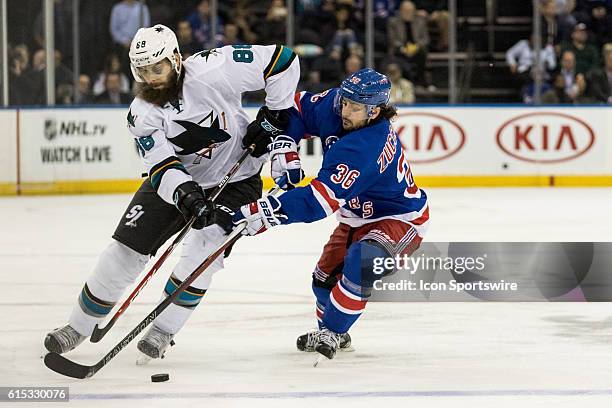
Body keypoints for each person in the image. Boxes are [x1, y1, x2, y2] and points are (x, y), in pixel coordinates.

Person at [44, 24, 300, 363]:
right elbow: (162, 164)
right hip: (176, 182)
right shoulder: (141, 114)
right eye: (142, 70)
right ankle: (77, 326)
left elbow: (282, 61)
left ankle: (164, 331)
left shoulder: (215, 67)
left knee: (203, 253)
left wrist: (274, 115)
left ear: (176, 59)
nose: (150, 77)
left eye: (157, 67)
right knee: (122, 253)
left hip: (238, 178)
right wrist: (187, 195)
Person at [233, 68, 430, 361]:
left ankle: (333, 331)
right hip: (354, 217)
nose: (345, 110)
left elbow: (319, 201)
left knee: (362, 261)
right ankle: (335, 330)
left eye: (355, 107)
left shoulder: (366, 145)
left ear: (374, 111)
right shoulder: (338, 103)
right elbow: (297, 106)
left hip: (401, 220)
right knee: (322, 280)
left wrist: (268, 211)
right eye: (345, 102)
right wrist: (286, 144)